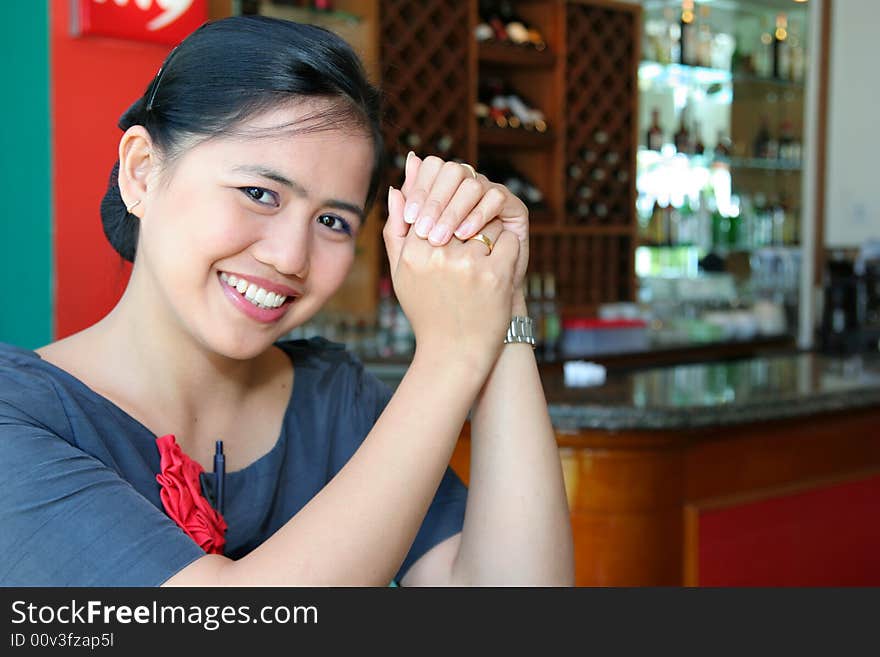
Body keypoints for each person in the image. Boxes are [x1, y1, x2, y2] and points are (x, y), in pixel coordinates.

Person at [0, 15, 573, 586]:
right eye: (259, 193)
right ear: (143, 172)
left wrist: (502, 298)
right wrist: (450, 356)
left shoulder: (335, 402)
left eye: (331, 220)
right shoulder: (20, 420)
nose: (290, 257)